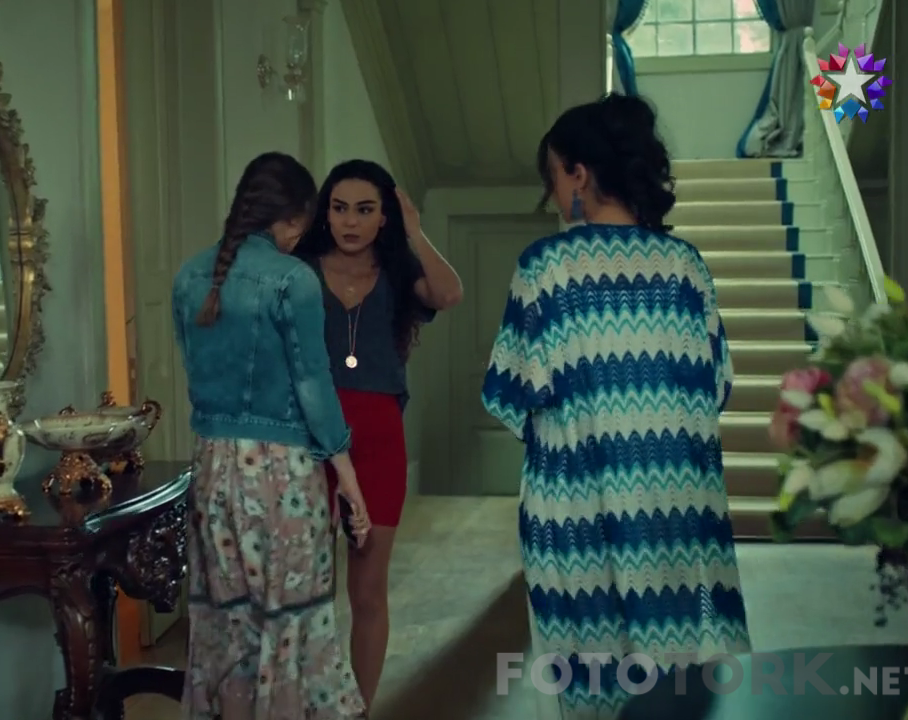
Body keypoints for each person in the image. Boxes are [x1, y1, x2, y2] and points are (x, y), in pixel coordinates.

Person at [480, 93, 751, 719]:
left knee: (591, 682)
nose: (552, 194)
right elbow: (718, 387)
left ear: (578, 174)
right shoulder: (686, 268)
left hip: (578, 515)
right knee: (679, 682)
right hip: (677, 513)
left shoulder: (545, 270)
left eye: (553, 176)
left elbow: (507, 394)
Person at [171, 151, 373, 720]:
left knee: (227, 621)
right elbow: (313, 382)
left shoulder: (189, 277)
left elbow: (192, 369)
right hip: (280, 478)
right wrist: (347, 476)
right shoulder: (292, 280)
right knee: (291, 619)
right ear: (293, 217)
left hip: (212, 471)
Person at [292, 159, 463, 708]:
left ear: (384, 216)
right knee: (307, 590)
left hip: (379, 441)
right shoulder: (300, 270)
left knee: (367, 592)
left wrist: (415, 232)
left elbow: (449, 293)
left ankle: (359, 709)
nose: (350, 221)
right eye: (340, 208)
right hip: (307, 438)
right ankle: (307, 703)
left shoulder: (398, 271)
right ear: (325, 212)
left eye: (365, 210)